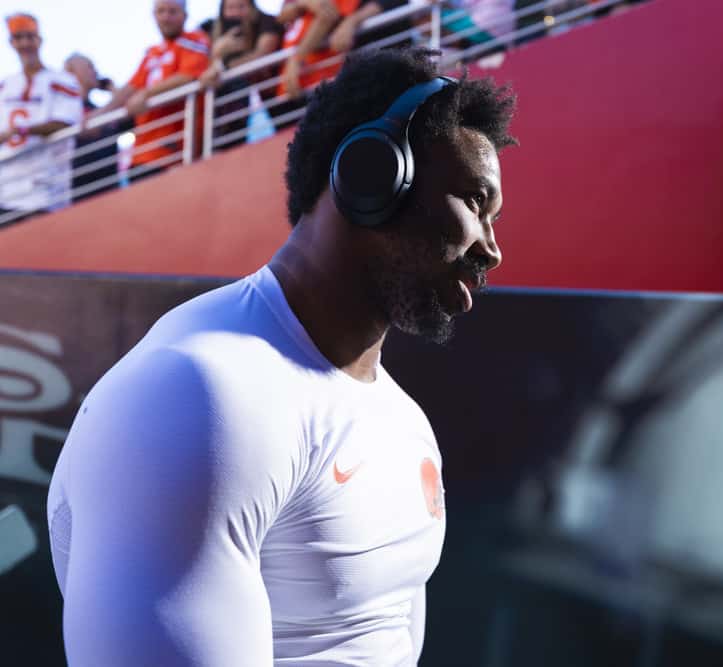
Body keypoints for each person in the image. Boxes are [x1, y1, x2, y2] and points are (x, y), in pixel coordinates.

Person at [47, 47, 516, 665]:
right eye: (476, 203)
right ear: (372, 176)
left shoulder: (402, 420)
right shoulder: (196, 396)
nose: (493, 249)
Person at [98, 0, 209, 180]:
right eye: (161, 11)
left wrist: (147, 94)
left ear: (185, 16)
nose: (166, 17)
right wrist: (100, 114)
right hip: (142, 151)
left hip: (172, 148)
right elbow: (132, 86)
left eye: (172, 11)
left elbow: (188, 76)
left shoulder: (194, 41)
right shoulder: (153, 52)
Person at [0, 13, 83, 225]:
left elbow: (66, 122)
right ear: (11, 42)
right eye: (19, 38)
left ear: (40, 39)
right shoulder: (6, 85)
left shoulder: (62, 81)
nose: (25, 43)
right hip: (7, 186)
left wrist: (23, 130)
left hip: (46, 186)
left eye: (30, 37)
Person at [198, 0, 283, 147]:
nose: (236, 12)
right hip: (235, 114)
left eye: (241, 6)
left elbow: (261, 56)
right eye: (231, 8)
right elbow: (205, 75)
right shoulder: (212, 31)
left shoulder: (266, 22)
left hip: (274, 98)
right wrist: (217, 54)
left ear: (252, 8)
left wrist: (224, 64)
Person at [64, 53, 126, 199]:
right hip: (79, 191)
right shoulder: (66, 110)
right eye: (90, 67)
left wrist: (113, 89)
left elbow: (126, 118)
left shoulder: (98, 109)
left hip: (109, 187)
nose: (96, 72)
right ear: (71, 72)